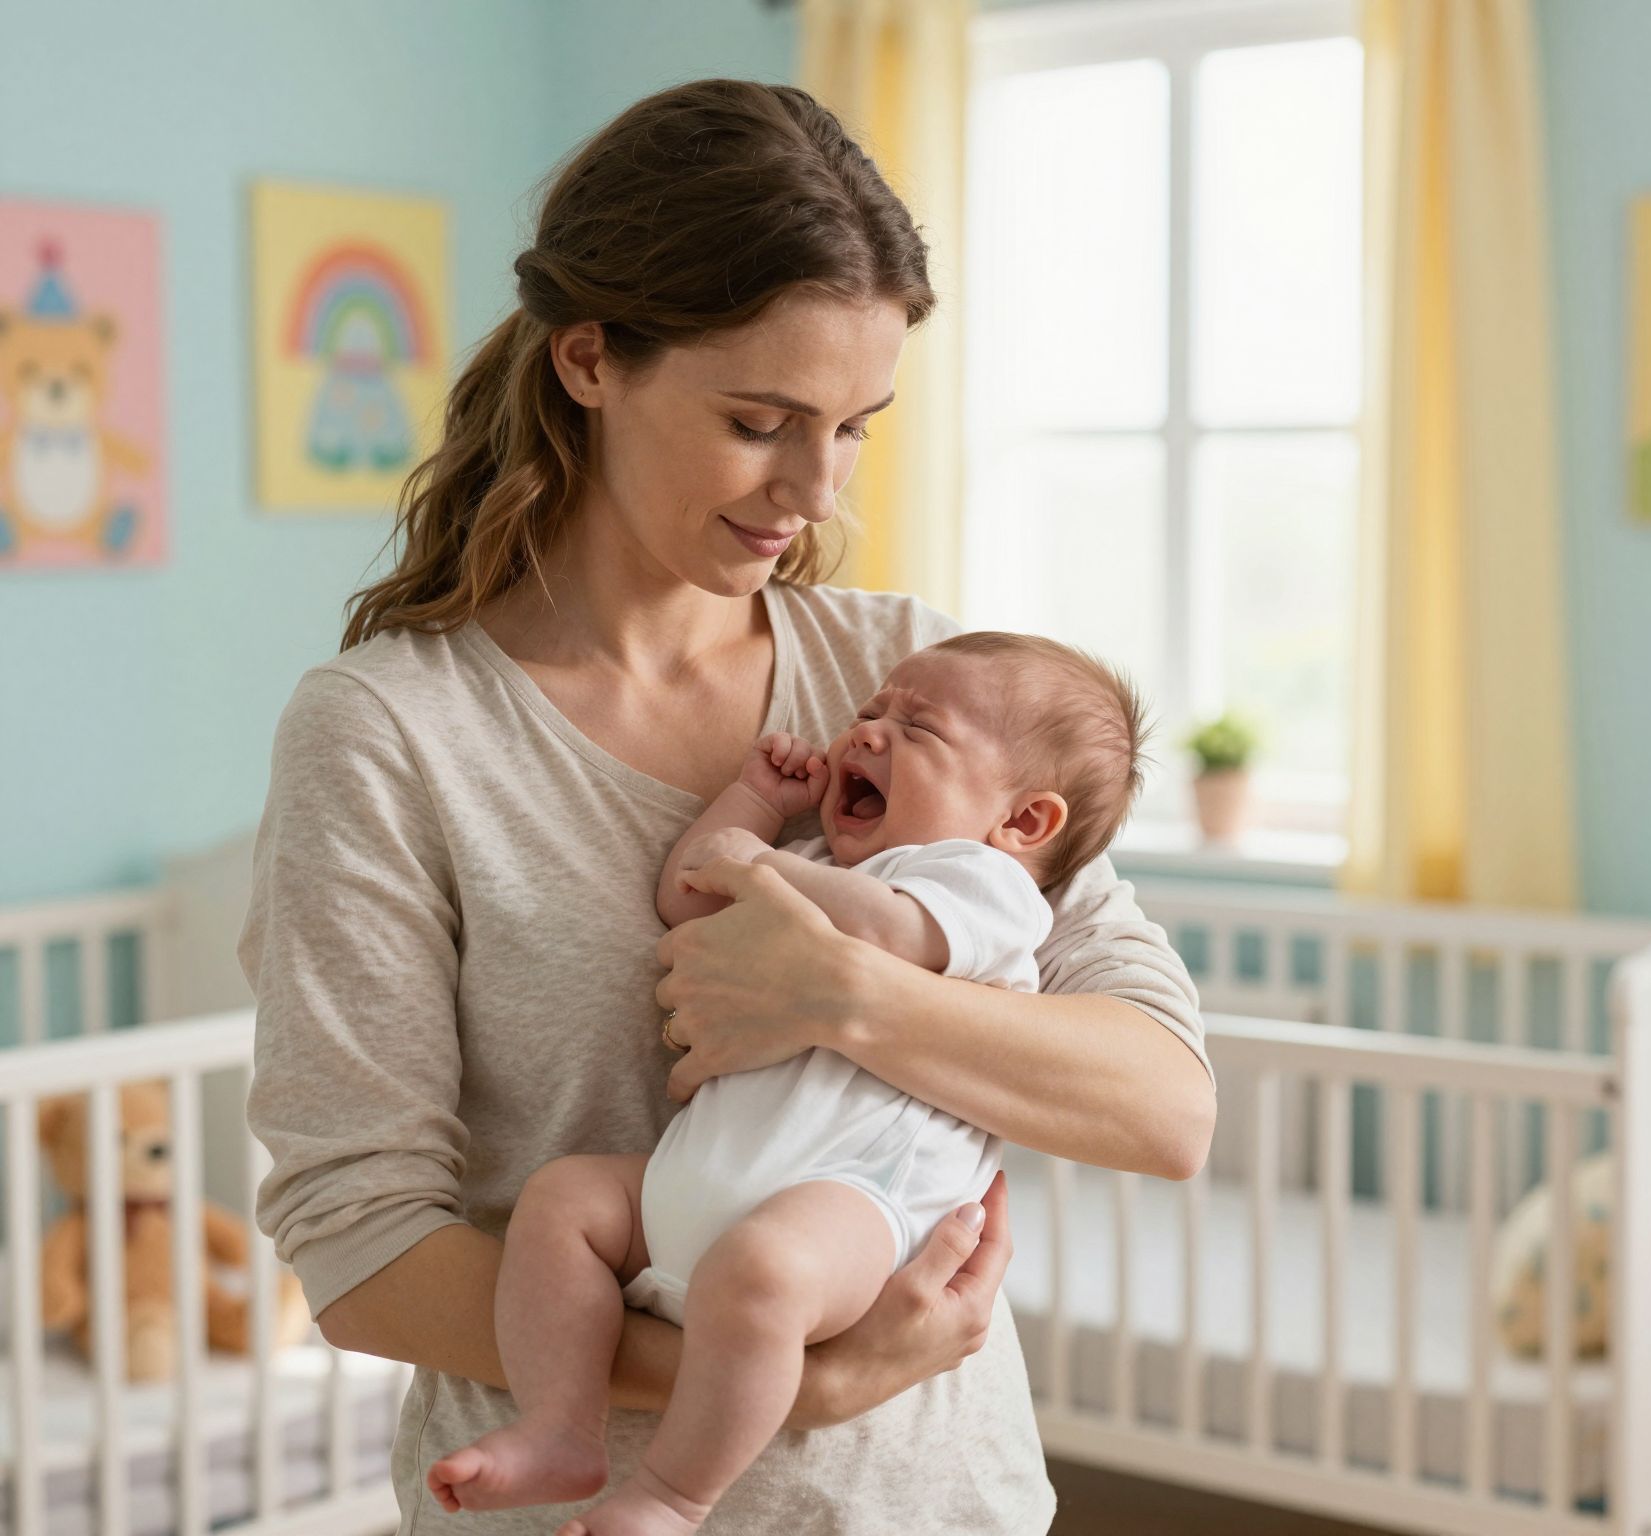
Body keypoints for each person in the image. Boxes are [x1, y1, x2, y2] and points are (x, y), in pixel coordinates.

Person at [241, 78, 1215, 1536]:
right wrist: (779, 1384)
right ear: (589, 359)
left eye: (856, 428)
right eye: (761, 421)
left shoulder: (910, 680)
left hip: (936, 1501)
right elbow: (364, 1256)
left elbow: (1162, 1104)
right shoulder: (394, 733)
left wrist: (842, 994)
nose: (814, 491)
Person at [430, 632, 1154, 1536]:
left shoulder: (984, 886)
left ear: (1024, 823)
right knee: (562, 1201)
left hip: (852, 1204)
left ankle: (669, 1496)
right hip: (700, 1179)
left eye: (917, 729)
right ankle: (560, 1428)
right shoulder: (823, 862)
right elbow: (689, 899)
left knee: (762, 1273)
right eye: (869, 713)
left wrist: (765, 866)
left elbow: (887, 938)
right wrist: (759, 808)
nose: (869, 733)